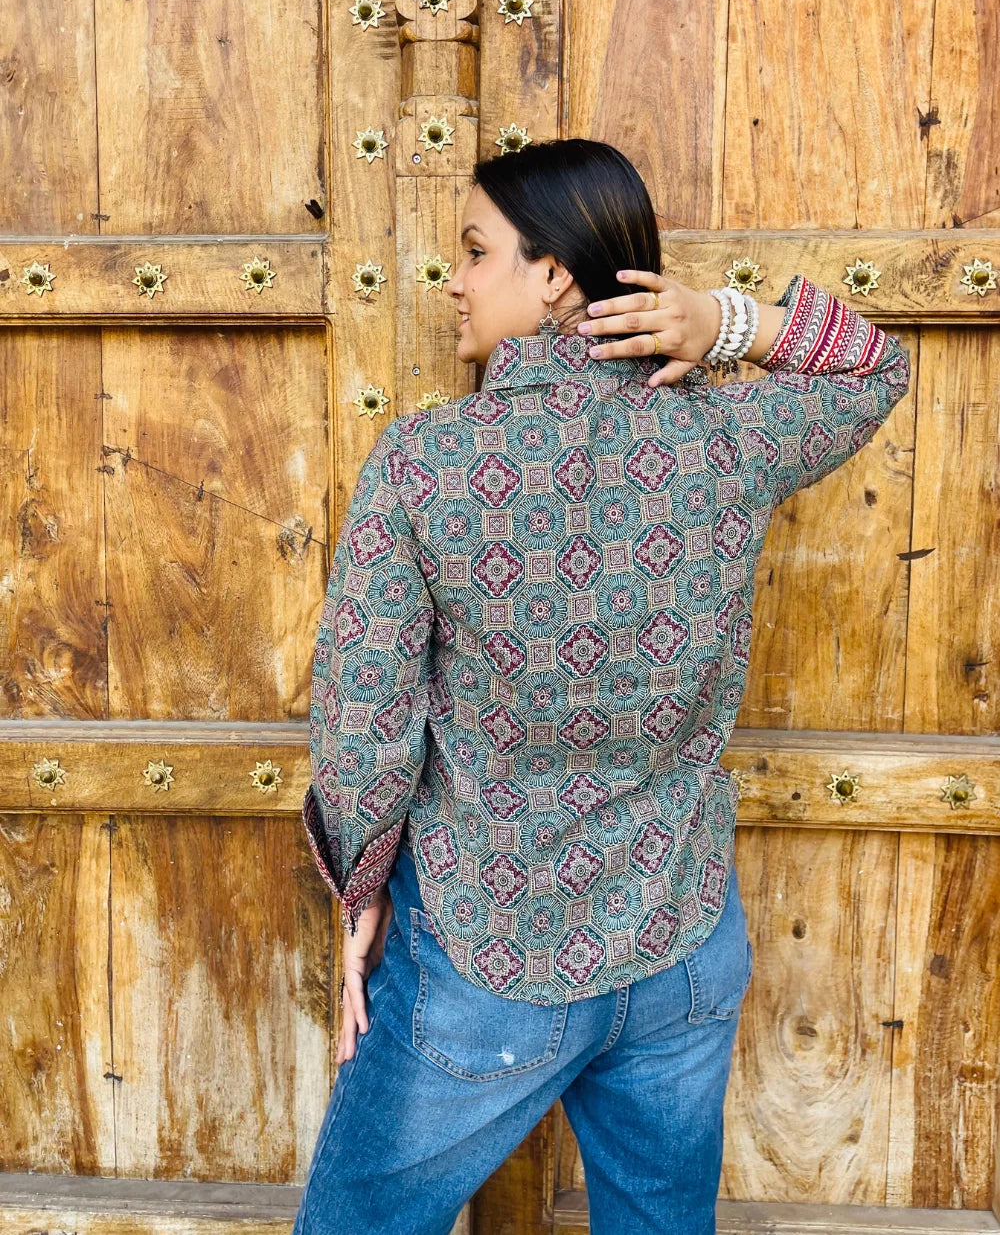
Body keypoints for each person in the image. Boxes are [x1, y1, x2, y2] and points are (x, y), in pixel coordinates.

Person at [293, 139, 911, 1235]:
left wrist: (361, 891)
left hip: (490, 953)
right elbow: (875, 369)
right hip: (681, 945)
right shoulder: (727, 436)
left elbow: (364, 722)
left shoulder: (426, 463)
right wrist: (727, 324)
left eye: (475, 251)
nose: (454, 280)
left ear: (553, 276)